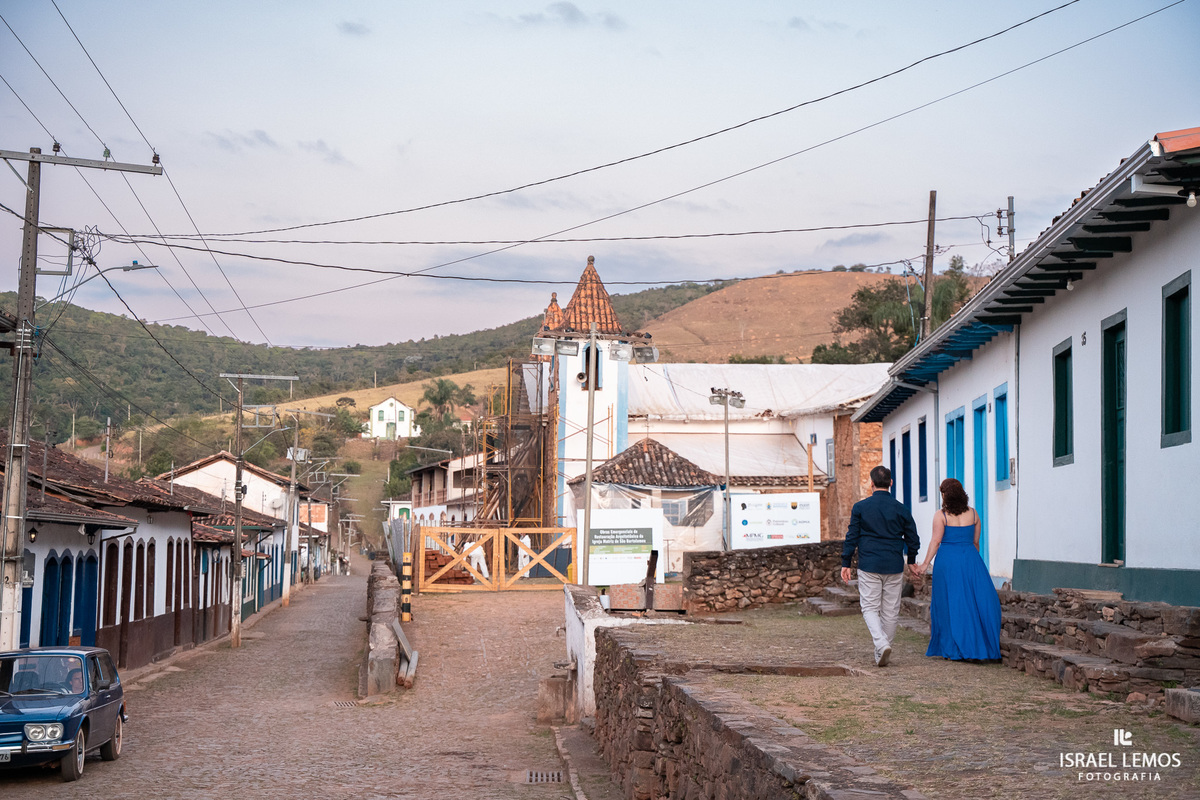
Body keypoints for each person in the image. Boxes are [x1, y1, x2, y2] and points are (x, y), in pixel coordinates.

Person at [841, 465, 920, 667]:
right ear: (891, 483)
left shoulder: (860, 508)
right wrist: (911, 560)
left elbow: (852, 536)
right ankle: (882, 649)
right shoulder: (902, 509)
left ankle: (881, 644)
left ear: (872, 483)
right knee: (890, 610)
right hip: (894, 564)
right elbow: (912, 538)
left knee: (869, 607)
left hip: (869, 563)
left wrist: (846, 562)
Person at [914, 478, 1001, 661]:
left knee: (949, 602)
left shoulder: (941, 515)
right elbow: (975, 542)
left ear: (945, 495)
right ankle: (978, 645)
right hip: (971, 559)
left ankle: (953, 647)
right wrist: (969, 559)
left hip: (947, 562)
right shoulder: (974, 514)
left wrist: (925, 564)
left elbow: (936, 541)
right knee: (975, 601)